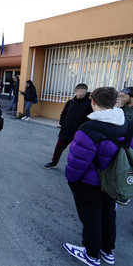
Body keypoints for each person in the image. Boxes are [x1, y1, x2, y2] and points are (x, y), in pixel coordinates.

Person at [64, 87, 132, 266]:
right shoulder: (127, 124)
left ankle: (91, 254)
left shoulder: (88, 129)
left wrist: (71, 179)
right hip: (114, 180)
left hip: (89, 182)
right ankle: (107, 251)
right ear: (115, 102)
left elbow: (77, 162)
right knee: (108, 214)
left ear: (93, 102)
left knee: (91, 217)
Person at [43, 84, 92, 169]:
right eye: (79, 91)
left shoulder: (89, 104)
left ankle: (76, 167)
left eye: (83, 92)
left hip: (79, 132)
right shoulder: (70, 102)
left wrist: (83, 130)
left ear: (86, 92)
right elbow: (63, 114)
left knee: (77, 151)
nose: (81, 93)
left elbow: (90, 118)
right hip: (66, 130)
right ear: (75, 91)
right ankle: (54, 162)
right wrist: (63, 124)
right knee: (59, 147)